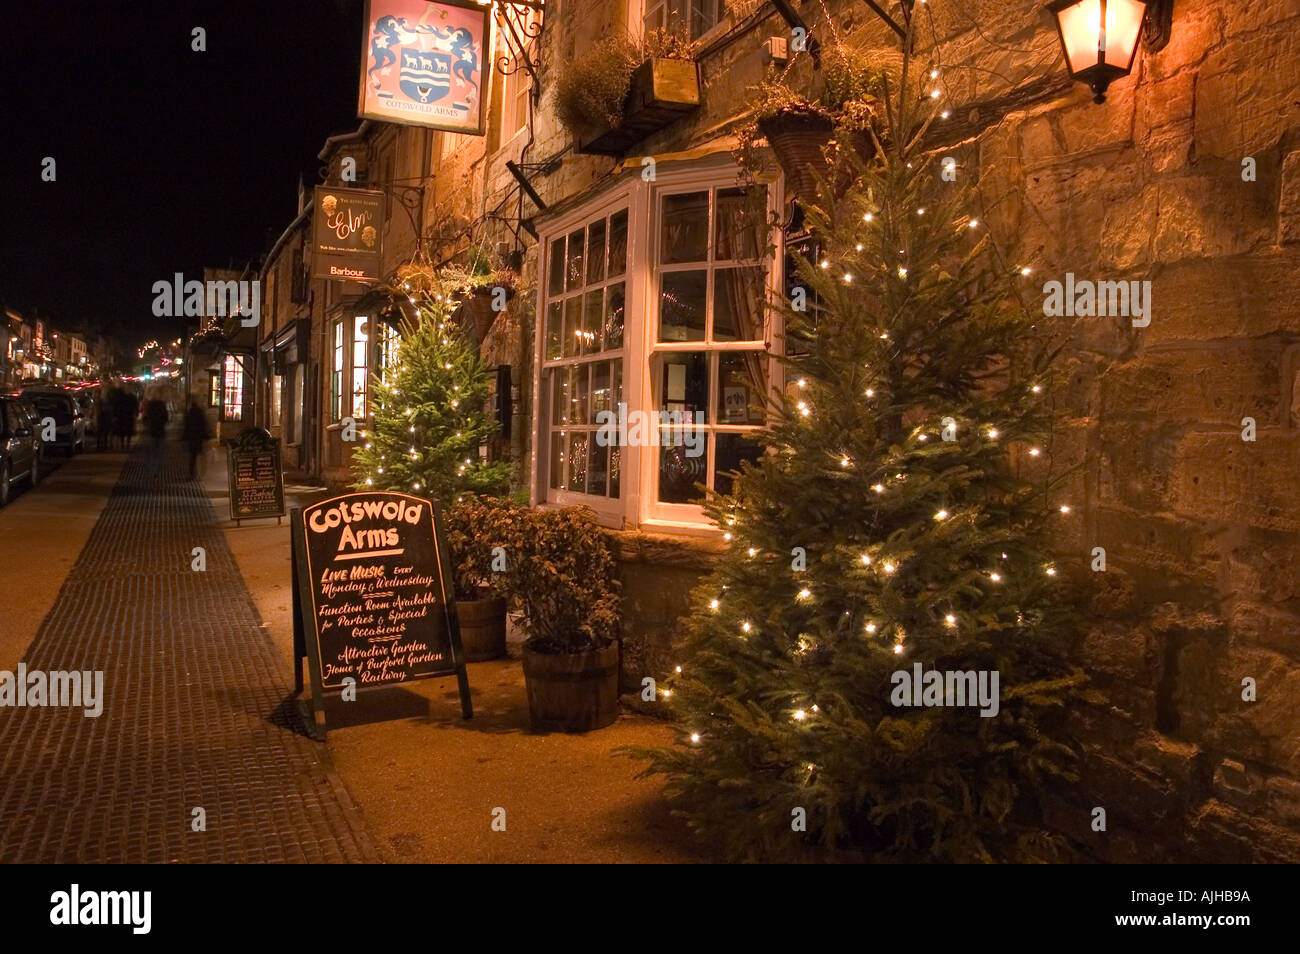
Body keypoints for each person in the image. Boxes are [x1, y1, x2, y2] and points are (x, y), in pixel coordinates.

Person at [181, 399, 211, 480]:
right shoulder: (200, 413)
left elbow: (186, 426)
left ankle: (192, 474)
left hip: (192, 438)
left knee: (192, 457)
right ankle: (200, 474)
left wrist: (184, 437)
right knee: (200, 456)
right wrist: (206, 436)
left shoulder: (189, 413)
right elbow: (204, 425)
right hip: (199, 437)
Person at [143, 394, 168, 477]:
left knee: (152, 452)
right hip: (161, 431)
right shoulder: (162, 406)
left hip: (152, 431)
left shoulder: (150, 406)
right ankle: (156, 470)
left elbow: (146, 418)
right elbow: (166, 418)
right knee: (159, 453)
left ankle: (151, 470)